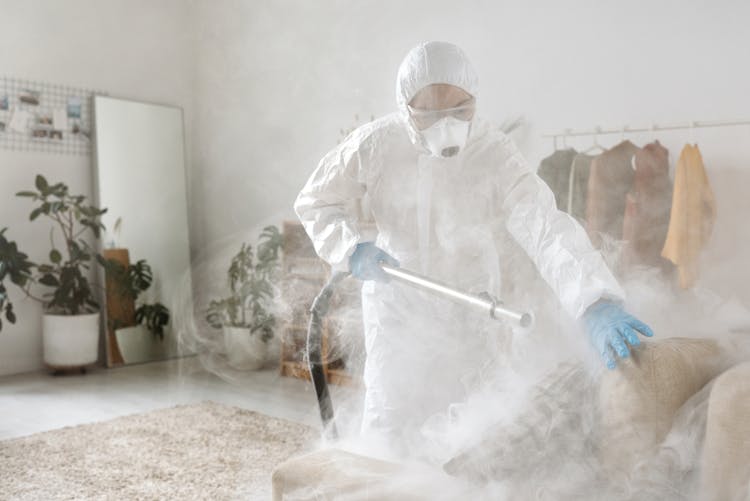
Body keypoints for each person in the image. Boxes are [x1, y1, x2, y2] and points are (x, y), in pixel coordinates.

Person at [294, 41, 653, 447]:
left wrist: (593, 300)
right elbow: (315, 201)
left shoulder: (493, 151)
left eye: (460, 110)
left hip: (472, 309)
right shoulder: (375, 144)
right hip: (398, 309)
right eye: (429, 114)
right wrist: (351, 247)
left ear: (475, 100)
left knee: (473, 431)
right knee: (390, 428)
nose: (447, 125)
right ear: (405, 106)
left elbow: (543, 222)